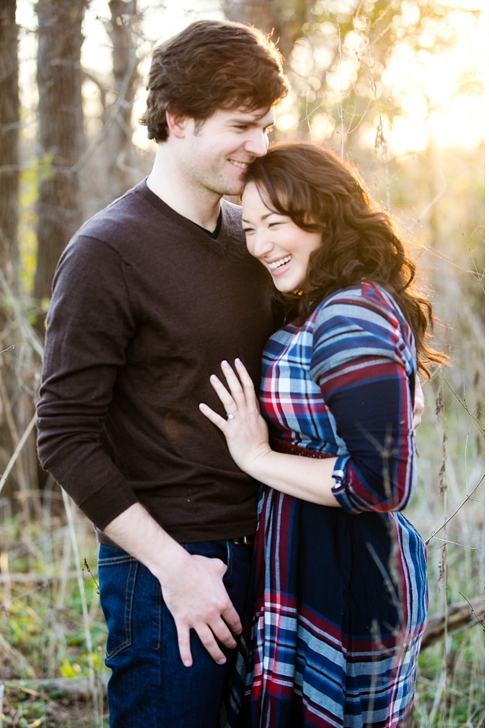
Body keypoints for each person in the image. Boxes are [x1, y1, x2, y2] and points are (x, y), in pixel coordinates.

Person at [35, 19, 289, 727]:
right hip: (167, 570)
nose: (260, 145)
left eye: (267, 125)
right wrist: (174, 569)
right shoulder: (105, 253)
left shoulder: (255, 238)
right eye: (241, 125)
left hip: (272, 551)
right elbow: (63, 435)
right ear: (178, 120)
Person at [199, 141, 441, 727]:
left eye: (275, 224)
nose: (259, 246)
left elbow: (381, 483)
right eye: (250, 227)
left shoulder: (349, 314)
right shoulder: (330, 302)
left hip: (347, 570)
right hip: (309, 557)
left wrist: (257, 456)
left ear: (325, 214)